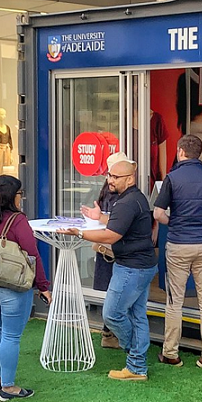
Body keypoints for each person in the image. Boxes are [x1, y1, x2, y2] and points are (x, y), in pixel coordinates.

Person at [71, 153, 157, 382]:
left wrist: (79, 232)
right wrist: (99, 217)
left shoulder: (127, 202)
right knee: (137, 315)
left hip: (131, 268)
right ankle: (137, 366)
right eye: (109, 175)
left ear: (130, 178)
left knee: (112, 314)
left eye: (115, 176)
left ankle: (136, 356)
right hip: (141, 266)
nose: (110, 180)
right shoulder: (135, 199)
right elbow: (118, 223)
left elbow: (111, 235)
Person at [152, 135, 202, 369]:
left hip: (178, 244)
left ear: (180, 152)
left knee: (174, 301)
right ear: (199, 153)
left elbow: (157, 214)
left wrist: (173, 222)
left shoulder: (172, 178)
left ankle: (171, 353)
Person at [0, 175, 51, 400]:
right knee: (11, 335)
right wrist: (43, 286)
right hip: (13, 284)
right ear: (12, 196)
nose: (22, 197)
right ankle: (8, 387)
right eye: (20, 193)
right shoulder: (18, 220)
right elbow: (32, 254)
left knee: (1, 329)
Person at [80, 181, 120, 349]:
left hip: (104, 249)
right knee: (117, 294)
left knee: (111, 293)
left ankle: (108, 333)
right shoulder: (118, 196)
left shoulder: (105, 192)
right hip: (114, 250)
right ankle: (111, 334)